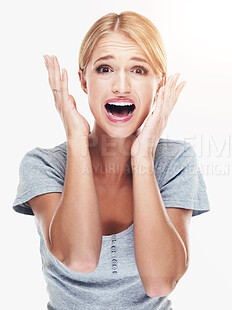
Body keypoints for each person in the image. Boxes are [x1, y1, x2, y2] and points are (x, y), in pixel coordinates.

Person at [12, 11, 210, 309]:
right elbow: (80, 257)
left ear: (160, 84)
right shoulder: (42, 165)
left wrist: (143, 155)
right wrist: (76, 139)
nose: (121, 86)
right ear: (83, 80)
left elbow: (160, 281)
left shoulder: (176, 161)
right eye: (105, 69)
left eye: (139, 71)